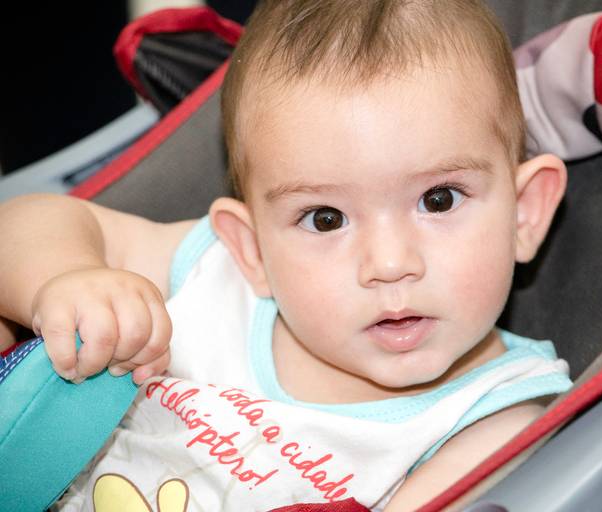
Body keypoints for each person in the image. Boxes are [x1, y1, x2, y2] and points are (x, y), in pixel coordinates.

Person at [0, 0, 571, 509]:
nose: (390, 263)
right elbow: (25, 223)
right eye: (326, 219)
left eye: (438, 199)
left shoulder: (493, 417)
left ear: (523, 213)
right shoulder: (213, 276)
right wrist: (69, 278)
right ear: (251, 248)